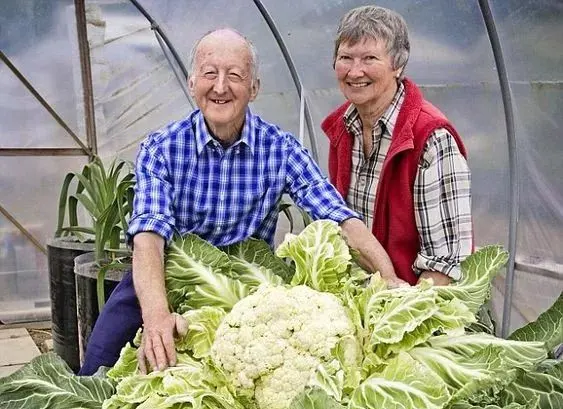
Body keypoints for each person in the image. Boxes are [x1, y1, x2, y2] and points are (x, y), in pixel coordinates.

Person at [80, 27, 402, 377]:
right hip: (170, 277)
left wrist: (388, 280)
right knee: (97, 366)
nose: (220, 87)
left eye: (235, 75)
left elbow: (338, 218)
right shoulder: (161, 147)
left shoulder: (280, 149)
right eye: (209, 74)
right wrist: (157, 315)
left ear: (254, 88)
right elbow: (148, 236)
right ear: (192, 83)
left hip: (247, 289)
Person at [322, 6, 472, 287]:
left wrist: (397, 315)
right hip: (363, 302)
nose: (355, 71)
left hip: (418, 311)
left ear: (398, 66)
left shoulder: (432, 140)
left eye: (370, 58)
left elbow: (445, 268)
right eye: (345, 58)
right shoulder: (343, 129)